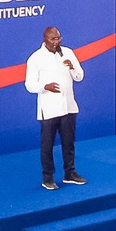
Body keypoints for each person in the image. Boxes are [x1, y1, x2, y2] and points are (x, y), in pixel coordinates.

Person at [27, 25, 86, 190]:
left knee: (69, 143)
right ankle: (48, 178)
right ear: (44, 39)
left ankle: (70, 174)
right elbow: (29, 85)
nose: (56, 42)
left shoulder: (68, 52)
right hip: (49, 109)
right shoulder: (35, 58)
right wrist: (45, 86)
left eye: (58, 38)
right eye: (52, 39)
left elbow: (80, 76)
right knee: (47, 145)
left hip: (68, 106)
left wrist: (73, 67)